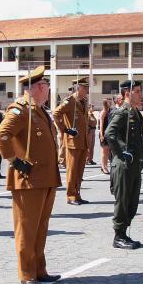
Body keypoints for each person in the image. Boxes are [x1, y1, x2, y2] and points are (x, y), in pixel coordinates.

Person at [0, 65, 61, 284]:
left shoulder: (39, 110)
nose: (49, 90)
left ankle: (39, 270)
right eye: (47, 86)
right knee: (27, 228)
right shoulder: (21, 109)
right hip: (29, 179)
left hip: (46, 178)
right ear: (39, 87)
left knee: (41, 228)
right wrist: (14, 161)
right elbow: (1, 136)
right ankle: (26, 273)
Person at [105, 79, 143, 249]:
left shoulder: (135, 112)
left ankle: (125, 233)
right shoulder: (122, 112)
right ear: (127, 93)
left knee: (132, 201)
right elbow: (109, 133)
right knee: (122, 201)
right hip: (123, 164)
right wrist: (121, 152)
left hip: (134, 164)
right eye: (137, 91)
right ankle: (118, 236)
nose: (140, 94)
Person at [52, 76, 92, 205]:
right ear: (78, 88)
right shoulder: (69, 101)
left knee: (79, 171)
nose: (87, 90)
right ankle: (70, 196)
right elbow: (56, 113)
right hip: (72, 142)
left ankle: (77, 194)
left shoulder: (84, 101)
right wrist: (65, 129)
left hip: (83, 141)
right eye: (85, 87)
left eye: (87, 87)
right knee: (72, 170)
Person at [98, 99, 111, 174]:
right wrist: (102, 135)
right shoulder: (103, 112)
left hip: (108, 133)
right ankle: (103, 167)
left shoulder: (109, 111)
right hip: (104, 134)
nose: (110, 103)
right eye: (109, 102)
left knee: (107, 151)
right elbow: (101, 125)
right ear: (105, 103)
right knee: (104, 151)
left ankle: (105, 165)